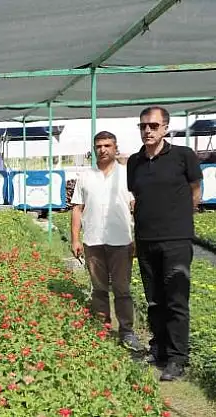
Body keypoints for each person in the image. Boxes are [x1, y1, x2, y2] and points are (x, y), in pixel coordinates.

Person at [127, 106, 202, 381]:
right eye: (143, 126)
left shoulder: (183, 155)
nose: (147, 130)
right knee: (154, 300)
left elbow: (195, 189)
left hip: (176, 239)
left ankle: (177, 358)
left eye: (153, 126)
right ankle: (158, 349)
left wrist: (180, 218)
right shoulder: (134, 162)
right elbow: (137, 195)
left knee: (176, 300)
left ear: (165, 129)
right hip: (146, 239)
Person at [70, 131, 142, 351]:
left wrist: (138, 238)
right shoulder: (86, 176)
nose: (102, 150)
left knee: (122, 289)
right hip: (93, 240)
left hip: (121, 240)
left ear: (115, 148)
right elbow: (77, 208)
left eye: (107, 145)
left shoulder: (127, 175)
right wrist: (75, 239)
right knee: (99, 288)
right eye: (99, 146)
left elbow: (137, 207)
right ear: (94, 149)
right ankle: (103, 328)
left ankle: (127, 332)